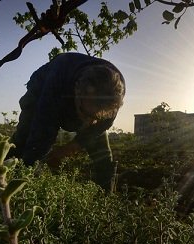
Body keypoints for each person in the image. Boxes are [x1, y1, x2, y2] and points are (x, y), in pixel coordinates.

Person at [9, 52, 125, 192]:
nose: (90, 122)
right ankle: (6, 182)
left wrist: (71, 147)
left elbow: (100, 126)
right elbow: (40, 139)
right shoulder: (56, 86)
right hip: (42, 88)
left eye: (97, 117)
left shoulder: (114, 92)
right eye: (87, 113)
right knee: (24, 141)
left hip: (75, 96)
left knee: (102, 155)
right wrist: (33, 170)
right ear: (77, 89)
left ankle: (108, 200)